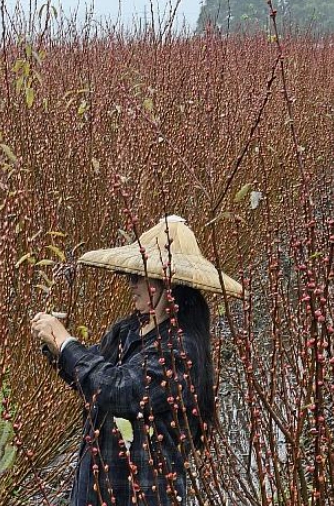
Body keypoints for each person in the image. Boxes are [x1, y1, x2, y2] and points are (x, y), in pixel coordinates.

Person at [31, 215, 243, 506]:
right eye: (130, 275)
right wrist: (55, 347)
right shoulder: (130, 330)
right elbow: (91, 378)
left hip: (143, 493)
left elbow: (120, 391)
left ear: (168, 284)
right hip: (97, 487)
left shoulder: (180, 350)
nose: (131, 284)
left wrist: (65, 342)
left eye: (138, 276)